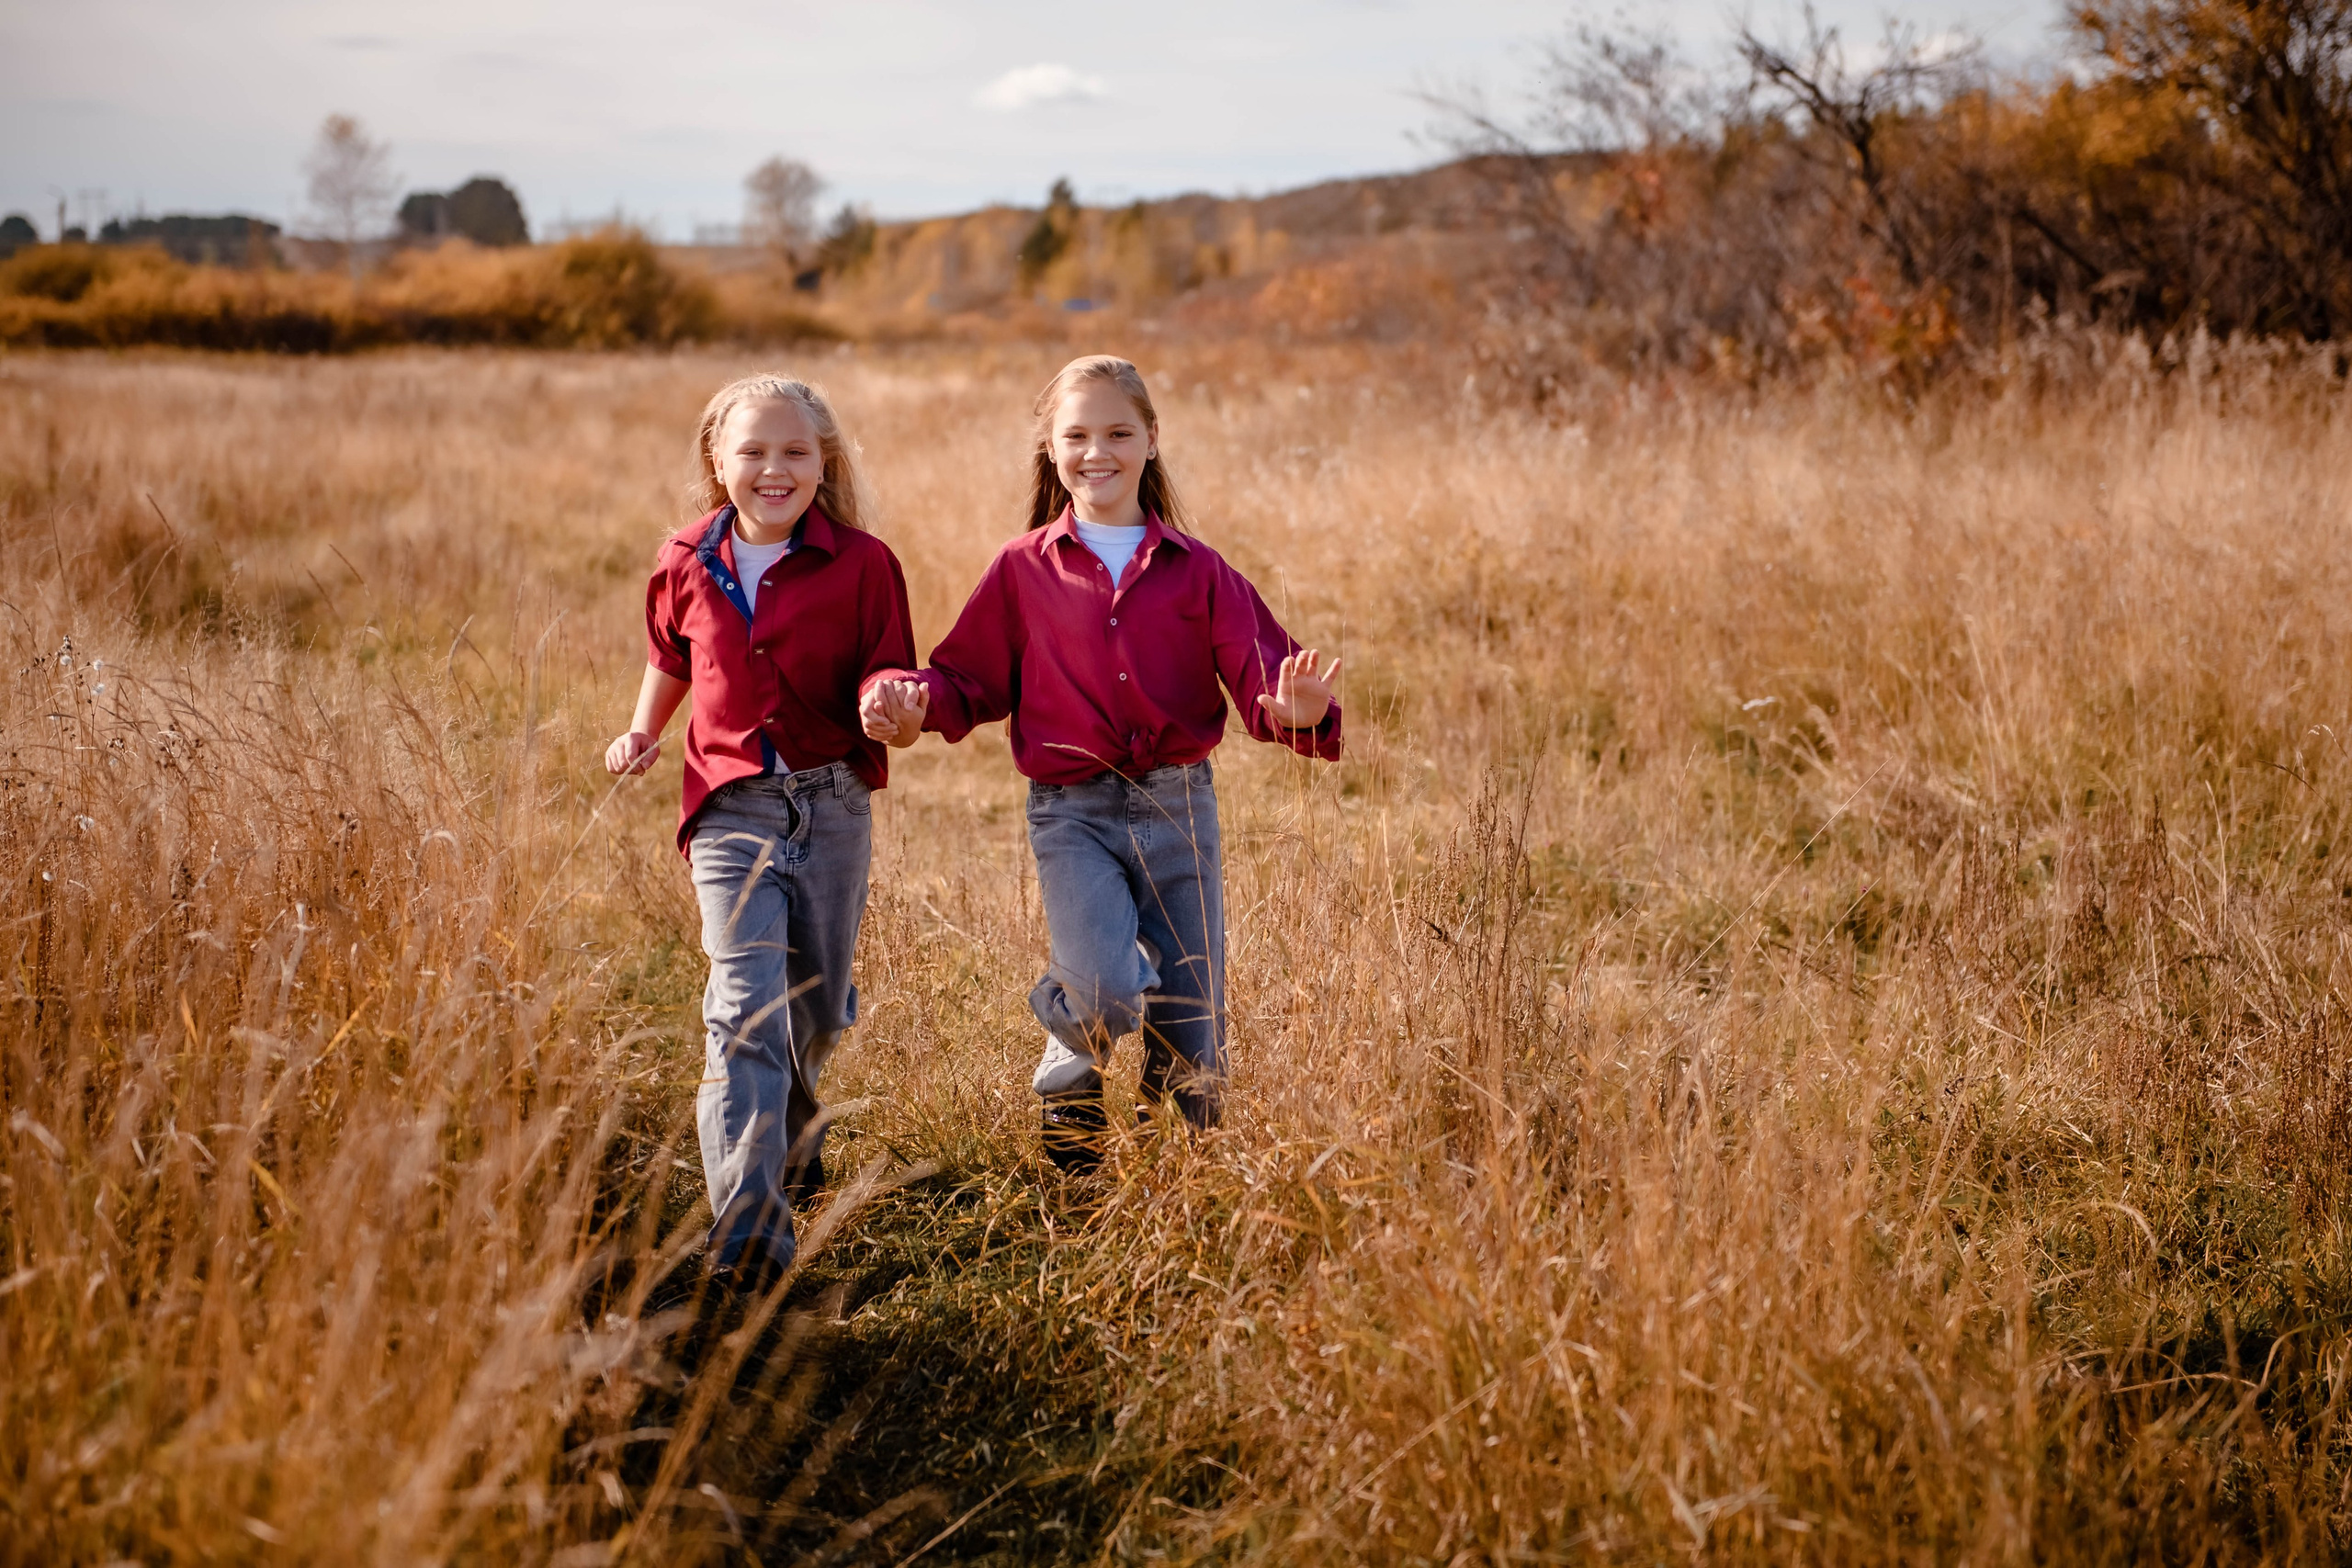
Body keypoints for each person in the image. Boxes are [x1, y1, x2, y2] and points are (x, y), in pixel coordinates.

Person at [859, 354, 1340, 1171]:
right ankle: (1068, 1053)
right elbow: (966, 678)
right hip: (1072, 809)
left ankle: (1172, 1192)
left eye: (1119, 432)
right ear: (1050, 448)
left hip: (1179, 807)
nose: (1098, 451)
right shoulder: (1022, 568)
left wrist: (1295, 711)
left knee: (1195, 1037)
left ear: (1152, 440)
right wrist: (908, 699)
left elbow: (1265, 672)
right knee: (1107, 987)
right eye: (1076, 435)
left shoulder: (1200, 569)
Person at [605, 373, 915, 1282]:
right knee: (743, 1010)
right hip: (728, 803)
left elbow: (886, 668)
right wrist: (641, 731)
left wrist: (887, 704)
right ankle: (748, 1233)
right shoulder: (683, 558)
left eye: (793, 452)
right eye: (752, 451)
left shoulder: (864, 563)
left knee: (815, 1007)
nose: (773, 469)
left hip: (831, 804)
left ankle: (793, 1132)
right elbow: (670, 656)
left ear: (823, 461)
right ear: (717, 460)